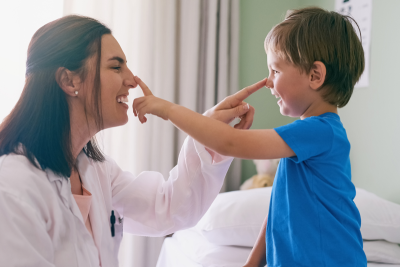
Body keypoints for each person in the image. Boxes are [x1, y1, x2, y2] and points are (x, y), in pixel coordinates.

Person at [0, 15, 257, 267]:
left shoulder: (96, 172)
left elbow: (168, 208)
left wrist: (208, 131)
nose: (132, 79)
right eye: (115, 66)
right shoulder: (13, 186)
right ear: (69, 80)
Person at [132, 7, 367, 267]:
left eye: (275, 71)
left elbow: (229, 142)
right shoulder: (308, 137)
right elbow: (279, 211)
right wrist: (251, 263)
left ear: (315, 76)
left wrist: (168, 109)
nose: (268, 82)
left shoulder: (320, 132)